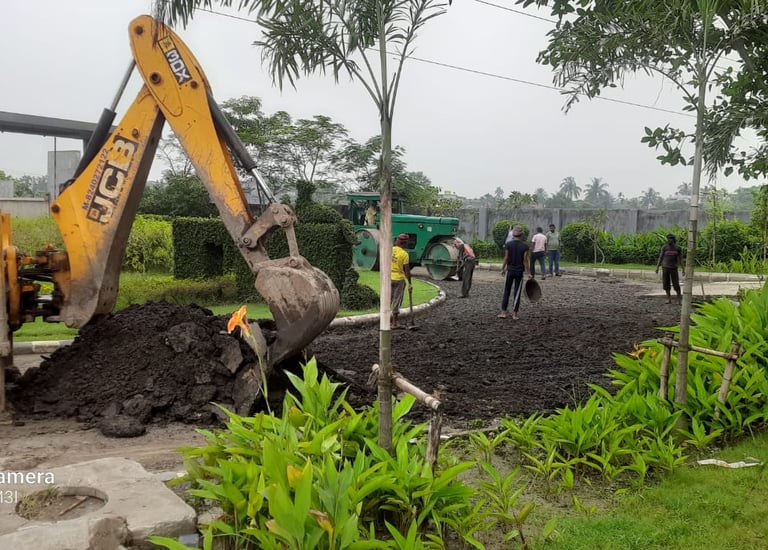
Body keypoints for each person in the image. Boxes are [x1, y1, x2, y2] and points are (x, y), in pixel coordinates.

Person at [499, 226, 531, 320]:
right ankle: (514, 314)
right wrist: (528, 273)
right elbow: (525, 260)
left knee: (507, 291)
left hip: (510, 270)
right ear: (522, 235)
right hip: (519, 271)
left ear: (513, 234)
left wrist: (502, 268)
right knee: (517, 292)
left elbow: (506, 258)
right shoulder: (525, 246)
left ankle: (503, 312)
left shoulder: (508, 244)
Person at [391, 233, 413, 329]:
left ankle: (385, 321)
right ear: (405, 243)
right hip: (399, 279)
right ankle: (394, 323)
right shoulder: (404, 254)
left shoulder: (391, 250)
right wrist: (410, 283)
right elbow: (407, 271)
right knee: (397, 300)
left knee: (388, 300)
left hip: (388, 278)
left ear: (397, 241)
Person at [656, 233, 683, 304]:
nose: (669, 240)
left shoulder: (678, 248)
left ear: (673, 239)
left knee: (676, 284)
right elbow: (660, 257)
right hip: (665, 268)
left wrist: (683, 269)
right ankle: (669, 299)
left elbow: (681, 259)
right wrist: (657, 267)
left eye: (670, 239)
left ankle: (679, 299)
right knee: (666, 284)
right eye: (668, 239)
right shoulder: (664, 247)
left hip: (674, 268)